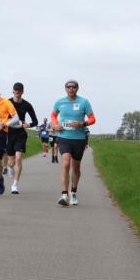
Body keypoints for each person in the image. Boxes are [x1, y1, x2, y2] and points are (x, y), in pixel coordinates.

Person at [51, 79, 96, 207]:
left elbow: (93, 118)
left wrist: (82, 123)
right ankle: (64, 194)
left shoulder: (84, 102)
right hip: (64, 137)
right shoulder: (60, 102)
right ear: (65, 89)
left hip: (79, 139)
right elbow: (53, 115)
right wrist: (55, 125)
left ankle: (74, 192)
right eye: (68, 87)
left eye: (73, 87)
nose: (71, 89)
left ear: (77, 88)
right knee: (65, 163)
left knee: (76, 167)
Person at [4, 82, 38, 194]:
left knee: (18, 157)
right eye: (16, 90)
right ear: (13, 91)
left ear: (23, 91)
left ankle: (15, 185)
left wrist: (28, 125)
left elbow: (35, 121)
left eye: (20, 90)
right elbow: (0, 115)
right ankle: (9, 167)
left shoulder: (27, 105)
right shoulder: (7, 102)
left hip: (21, 134)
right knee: (11, 160)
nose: (17, 92)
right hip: (9, 133)